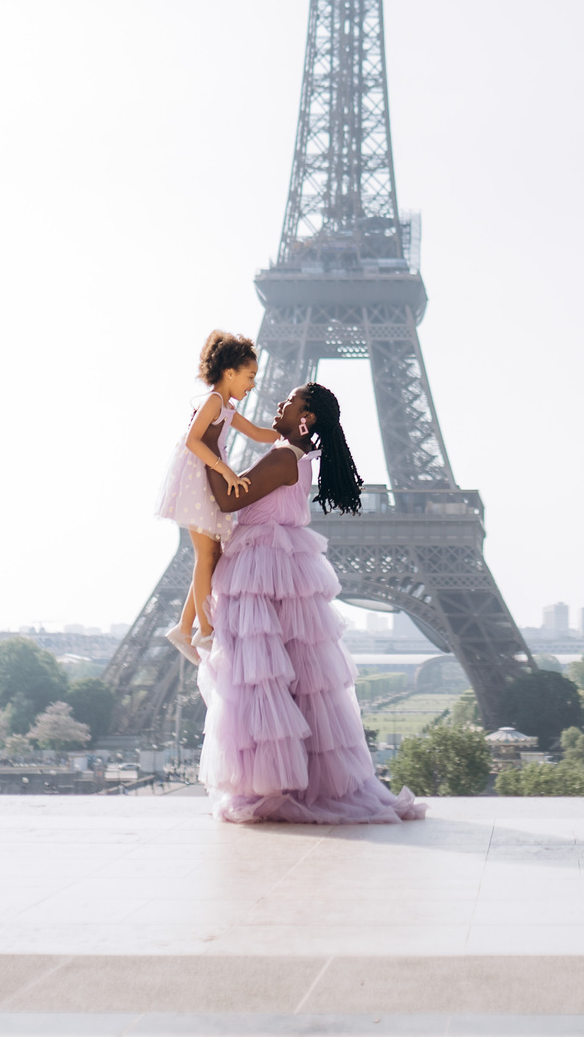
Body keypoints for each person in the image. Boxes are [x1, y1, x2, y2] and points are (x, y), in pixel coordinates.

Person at [199, 382, 426, 825]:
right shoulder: (299, 459)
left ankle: (275, 784)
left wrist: (207, 444)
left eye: (291, 400)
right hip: (281, 568)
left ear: (308, 419)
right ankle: (296, 783)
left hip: (261, 571)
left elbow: (229, 498)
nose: (280, 404)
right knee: (296, 683)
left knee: (262, 680)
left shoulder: (285, 456)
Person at [153, 330, 281, 664]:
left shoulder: (226, 406)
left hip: (208, 479)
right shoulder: (212, 402)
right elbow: (192, 441)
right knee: (205, 556)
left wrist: (291, 433)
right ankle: (204, 629)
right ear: (230, 373)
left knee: (211, 555)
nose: (253, 384)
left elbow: (256, 433)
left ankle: (186, 628)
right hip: (199, 479)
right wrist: (225, 470)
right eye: (250, 376)